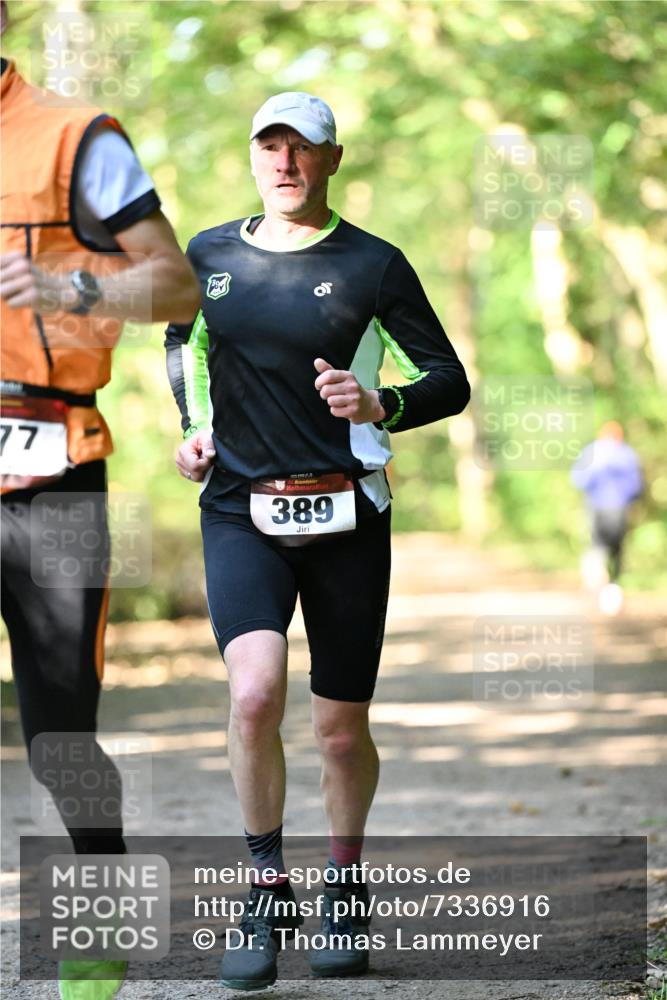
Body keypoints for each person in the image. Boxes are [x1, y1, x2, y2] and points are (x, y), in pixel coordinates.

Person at [165, 91, 470, 990]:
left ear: (334, 160)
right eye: (271, 147)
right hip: (239, 508)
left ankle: (342, 883)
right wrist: (192, 426)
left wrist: (383, 405)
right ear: (253, 157)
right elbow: (185, 344)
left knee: (340, 731)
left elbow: (447, 379)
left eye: (304, 148)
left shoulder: (375, 264)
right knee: (253, 695)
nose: (286, 162)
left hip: (347, 515)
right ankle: (264, 886)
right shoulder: (209, 255)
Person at [0, 10, 200, 998]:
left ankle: (100, 907)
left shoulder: (77, 138)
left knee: (59, 732)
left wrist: (65, 284)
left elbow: (175, 286)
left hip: (54, 462)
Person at [571, 421, 642, 615]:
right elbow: (636, 485)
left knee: (597, 546)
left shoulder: (592, 452)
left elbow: (578, 479)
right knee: (617, 549)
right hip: (619, 509)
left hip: (596, 507)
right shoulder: (626, 454)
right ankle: (613, 589)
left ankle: (596, 585)